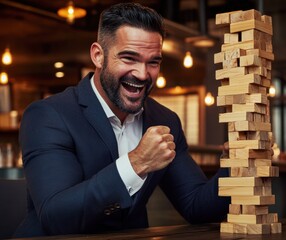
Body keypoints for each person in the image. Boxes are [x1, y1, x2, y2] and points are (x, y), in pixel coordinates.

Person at [15, 2, 229, 237]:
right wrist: (136, 163)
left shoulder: (164, 119)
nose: (142, 74)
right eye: (129, 58)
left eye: (153, 62)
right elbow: (55, 218)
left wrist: (237, 166)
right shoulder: (48, 115)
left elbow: (196, 207)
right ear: (98, 55)